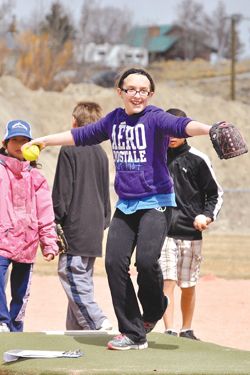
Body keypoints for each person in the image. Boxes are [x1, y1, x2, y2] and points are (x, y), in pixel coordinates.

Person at [22, 67, 223, 350]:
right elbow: (79, 135)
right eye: (131, 89)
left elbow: (183, 126)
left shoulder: (155, 118)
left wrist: (210, 128)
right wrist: (43, 141)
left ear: (150, 94)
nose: (137, 95)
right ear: (121, 92)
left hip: (157, 203)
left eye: (144, 90)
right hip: (127, 205)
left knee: (145, 262)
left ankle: (153, 309)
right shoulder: (113, 121)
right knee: (114, 262)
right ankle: (132, 332)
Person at [159, 108, 223, 340]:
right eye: (167, 131)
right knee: (168, 280)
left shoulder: (198, 159)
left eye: (177, 131)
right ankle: (168, 330)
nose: (172, 136)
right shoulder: (156, 157)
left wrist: (206, 216)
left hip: (190, 232)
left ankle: (186, 329)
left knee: (187, 284)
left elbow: (215, 194)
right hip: (163, 231)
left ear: (186, 132)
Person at [52, 101, 112, 331]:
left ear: (74, 123)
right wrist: (104, 220)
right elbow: (105, 193)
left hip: (75, 227)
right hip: (95, 226)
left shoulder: (69, 148)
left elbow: (62, 192)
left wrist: (55, 220)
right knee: (82, 282)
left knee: (71, 275)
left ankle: (98, 322)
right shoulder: (100, 153)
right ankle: (75, 333)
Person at [0, 120, 58, 332]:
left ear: (32, 146)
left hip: (27, 242)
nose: (19, 144)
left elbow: (45, 214)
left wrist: (49, 243)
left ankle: (15, 328)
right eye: (14, 140)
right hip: (2, 241)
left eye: (24, 141)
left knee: (21, 292)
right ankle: (2, 322)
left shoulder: (37, 178)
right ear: (5, 143)